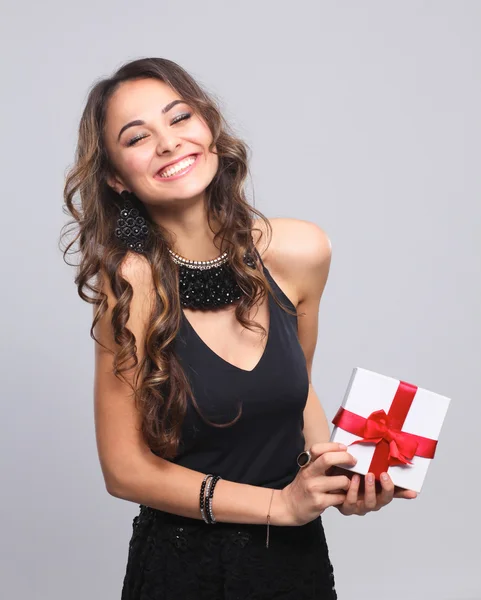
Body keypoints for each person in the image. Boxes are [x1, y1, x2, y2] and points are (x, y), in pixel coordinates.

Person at [61, 57, 417, 599]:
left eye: (180, 118)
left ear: (209, 127)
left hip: (296, 563)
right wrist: (280, 505)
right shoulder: (130, 284)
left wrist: (338, 476)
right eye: (138, 137)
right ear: (116, 176)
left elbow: (296, 396)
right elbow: (124, 469)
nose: (168, 142)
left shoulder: (300, 251)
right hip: (184, 569)